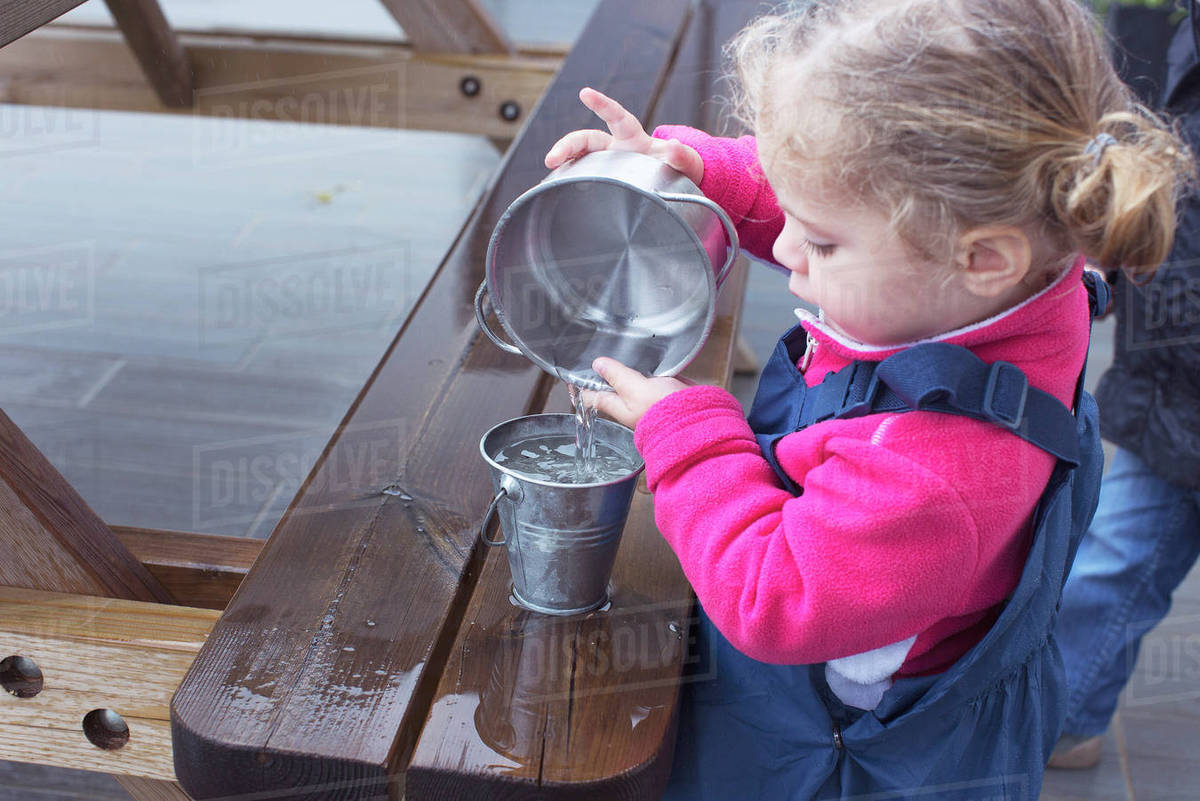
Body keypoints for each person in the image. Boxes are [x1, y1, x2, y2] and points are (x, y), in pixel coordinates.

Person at [544, 0, 1191, 797]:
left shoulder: (937, 466)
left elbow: (776, 596)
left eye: (818, 243)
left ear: (982, 256)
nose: (783, 249)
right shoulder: (1008, 257)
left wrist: (690, 434)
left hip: (857, 748)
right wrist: (696, 171)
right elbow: (852, 195)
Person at [1049, 5, 1200, 770]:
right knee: (1111, 558)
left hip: (1176, 380)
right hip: (1169, 385)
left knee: (1115, 557)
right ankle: (1066, 717)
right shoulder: (1167, 38)